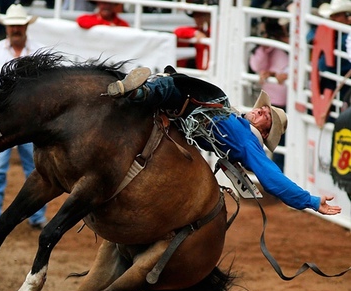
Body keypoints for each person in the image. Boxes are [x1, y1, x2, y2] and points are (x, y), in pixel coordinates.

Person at [105, 67, 342, 216]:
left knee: (174, 87)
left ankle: (138, 92)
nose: (260, 111)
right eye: (263, 109)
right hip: (186, 118)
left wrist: (309, 200)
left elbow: (273, 179)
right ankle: (141, 91)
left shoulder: (250, 143)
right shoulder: (238, 118)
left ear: (266, 134)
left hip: (187, 109)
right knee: (180, 86)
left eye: (266, 117)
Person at [0, 4, 48, 233]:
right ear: (7, 27)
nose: (15, 29)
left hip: (29, 120)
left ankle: (35, 215)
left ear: (25, 26)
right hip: (0, 121)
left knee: (37, 169)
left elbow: (45, 88)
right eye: (12, 25)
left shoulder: (36, 52)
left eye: (19, 25)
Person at [249, 16, 290, 170]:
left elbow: (291, 68)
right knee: (262, 137)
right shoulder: (265, 49)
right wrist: (265, 46)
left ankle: (276, 174)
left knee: (281, 141)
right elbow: (256, 65)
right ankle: (266, 171)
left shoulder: (286, 47)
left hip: (282, 102)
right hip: (269, 102)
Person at [174, 0, 216, 70]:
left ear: (209, 16)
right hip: (203, 72)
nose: (197, 19)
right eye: (196, 16)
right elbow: (177, 31)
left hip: (214, 71)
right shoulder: (199, 31)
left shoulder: (217, 30)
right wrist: (195, 33)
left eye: (201, 15)